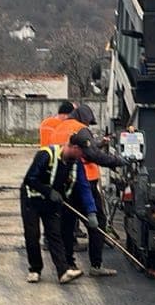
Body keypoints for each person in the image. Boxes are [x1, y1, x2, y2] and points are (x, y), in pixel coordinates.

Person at [43, 105, 123, 277]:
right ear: (83, 117)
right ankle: (96, 264)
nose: (88, 125)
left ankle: (69, 263)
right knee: (97, 221)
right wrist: (117, 161)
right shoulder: (80, 128)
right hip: (84, 180)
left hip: (62, 182)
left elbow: (83, 149)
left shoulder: (59, 128)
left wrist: (98, 144)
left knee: (67, 224)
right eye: (88, 121)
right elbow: (92, 155)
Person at [21, 138, 96, 285]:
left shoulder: (73, 162)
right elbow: (30, 178)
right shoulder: (46, 154)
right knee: (32, 234)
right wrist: (49, 192)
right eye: (81, 151)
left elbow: (78, 185)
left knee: (55, 234)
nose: (82, 155)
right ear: (73, 147)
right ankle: (35, 269)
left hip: (51, 202)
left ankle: (63, 271)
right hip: (32, 199)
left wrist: (90, 211)